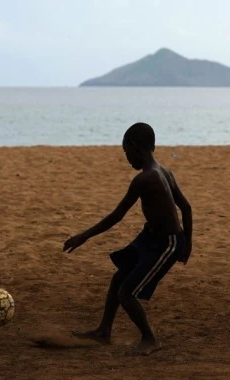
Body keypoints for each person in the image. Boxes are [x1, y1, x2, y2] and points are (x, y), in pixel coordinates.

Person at [63, 122, 192, 356]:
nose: (127, 158)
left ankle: (150, 338)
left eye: (126, 152)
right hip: (150, 238)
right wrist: (189, 243)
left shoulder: (145, 179)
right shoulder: (165, 171)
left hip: (166, 243)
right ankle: (103, 332)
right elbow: (187, 208)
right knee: (118, 278)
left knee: (127, 292)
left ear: (135, 147)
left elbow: (117, 216)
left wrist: (84, 236)